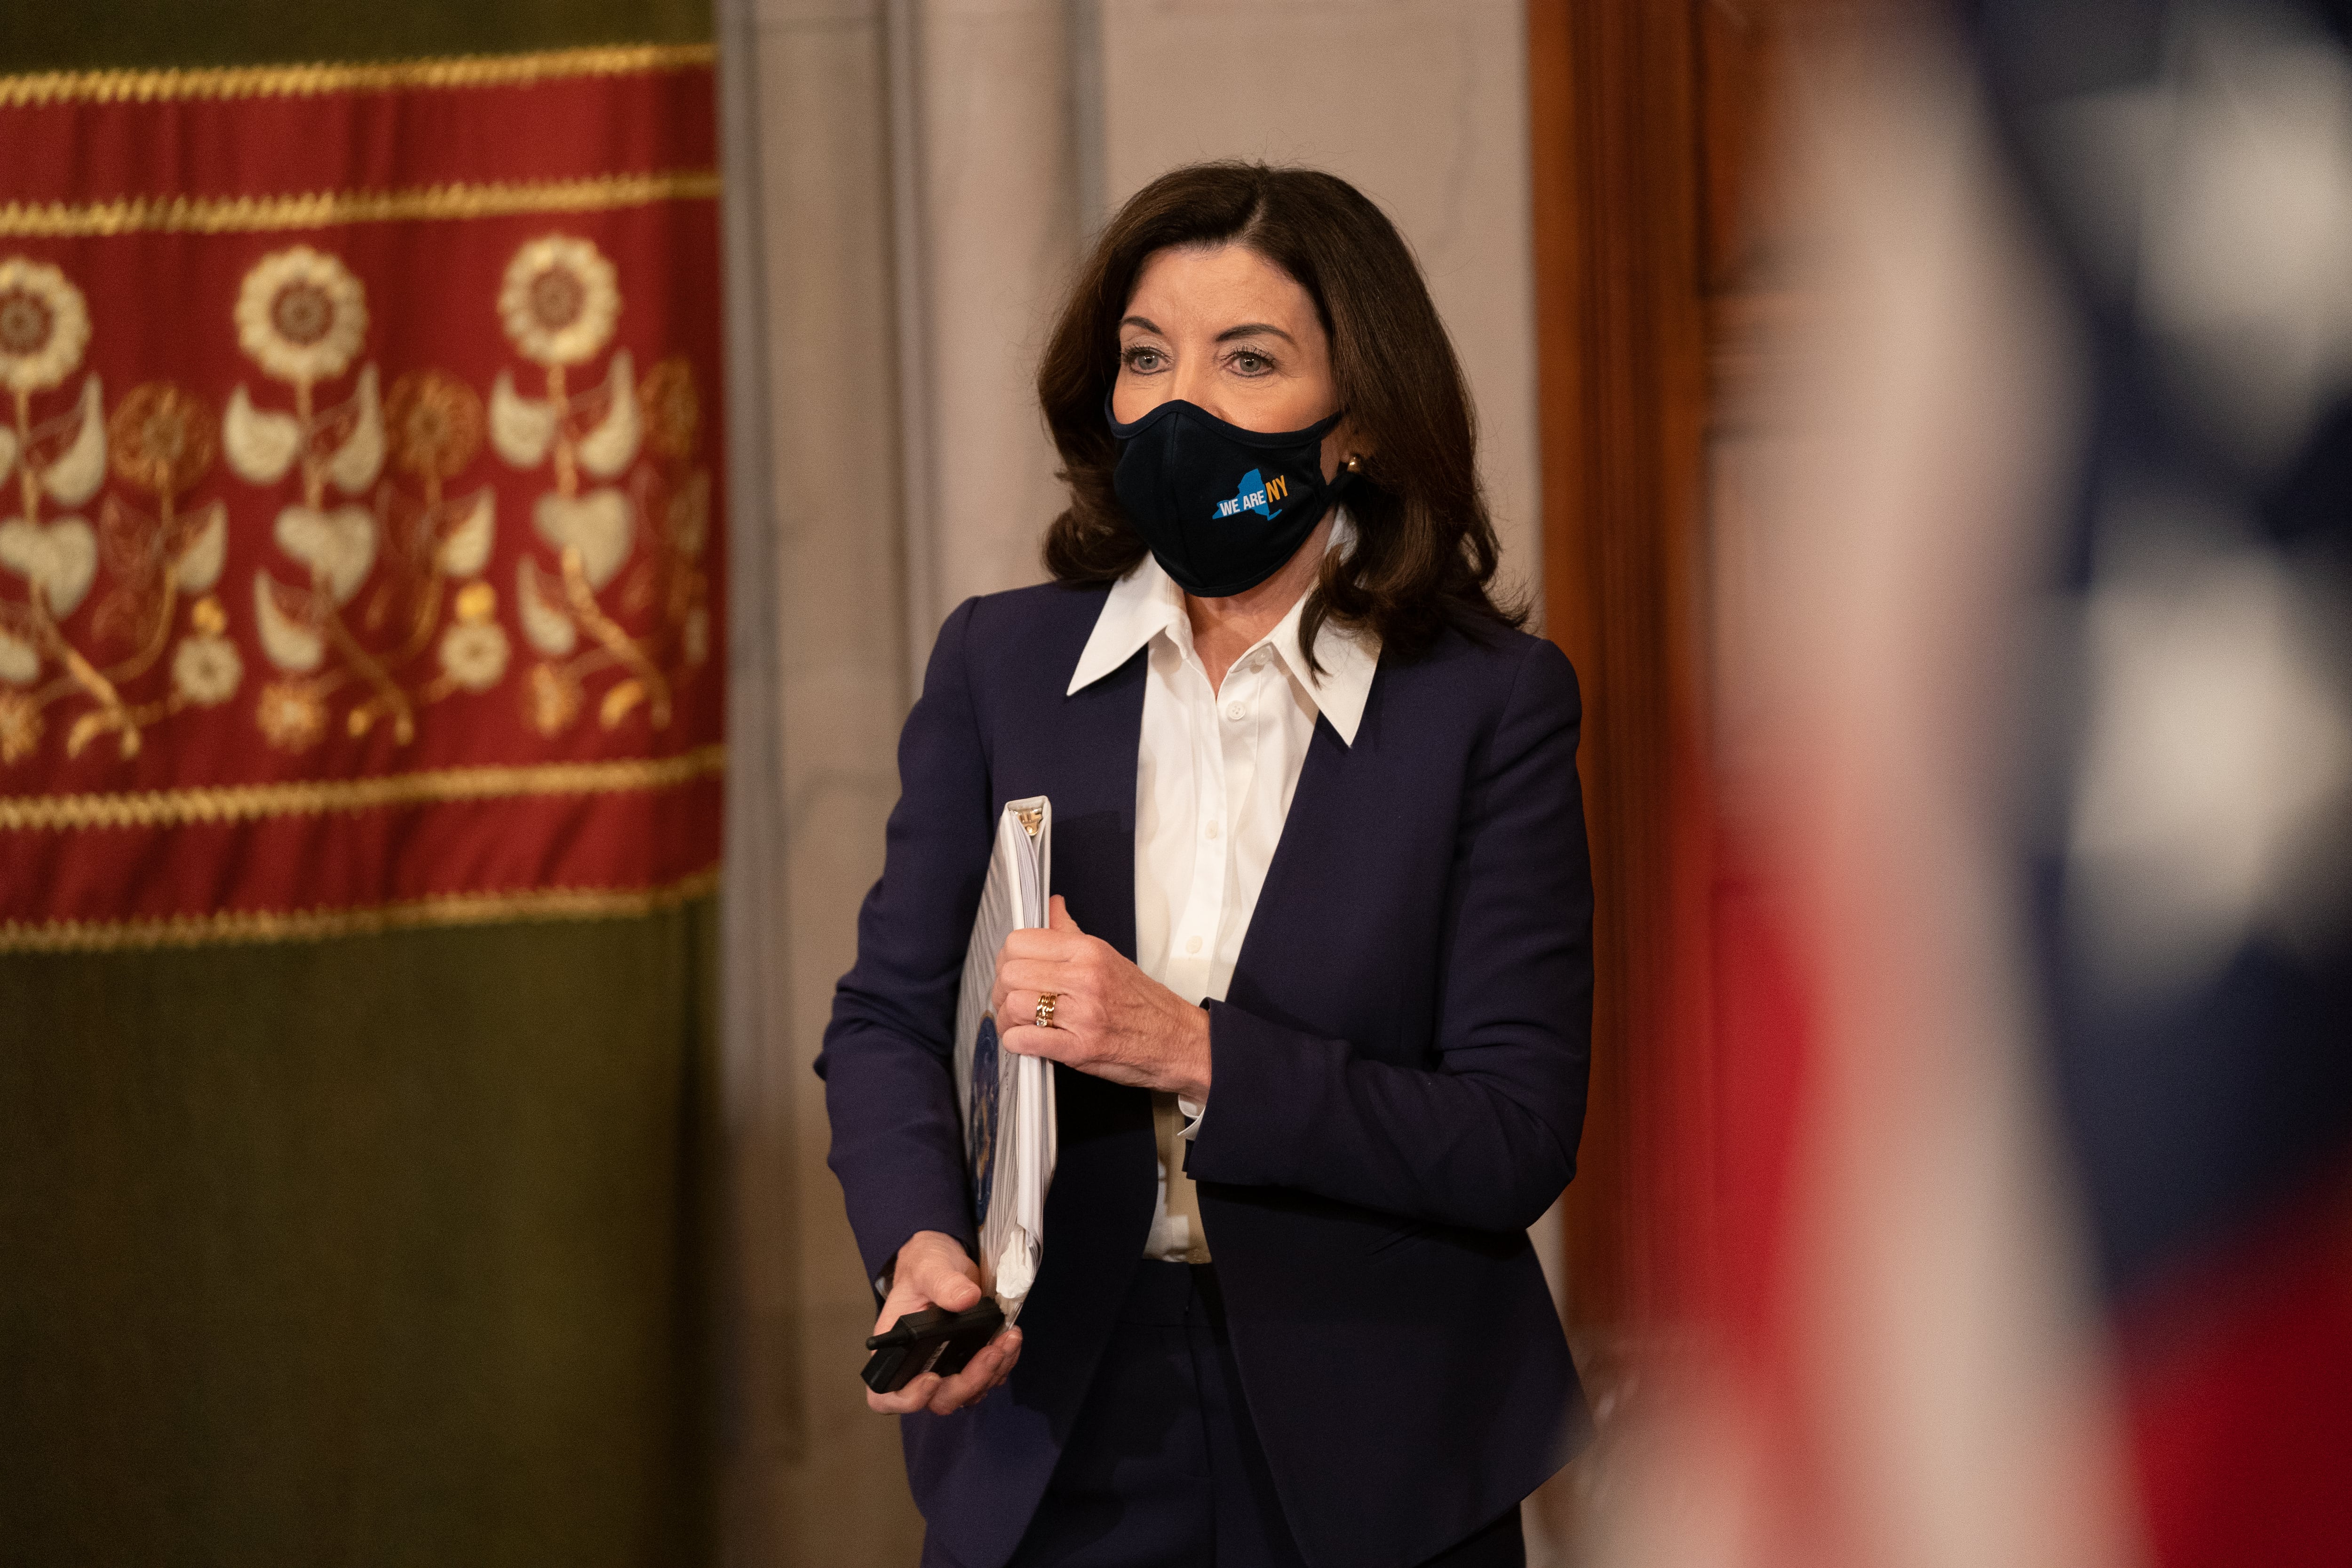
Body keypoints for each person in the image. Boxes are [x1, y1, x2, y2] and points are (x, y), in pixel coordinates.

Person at [819, 161, 1594, 1568]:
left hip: (1383, 1438)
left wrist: (1192, 1049)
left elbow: (1516, 1133)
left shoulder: (1490, 704)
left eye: (1249, 359)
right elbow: (882, 1017)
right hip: (1055, 1424)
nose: (1181, 405)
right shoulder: (1001, 663)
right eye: (1144, 357)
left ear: (1355, 423)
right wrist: (919, 1243)